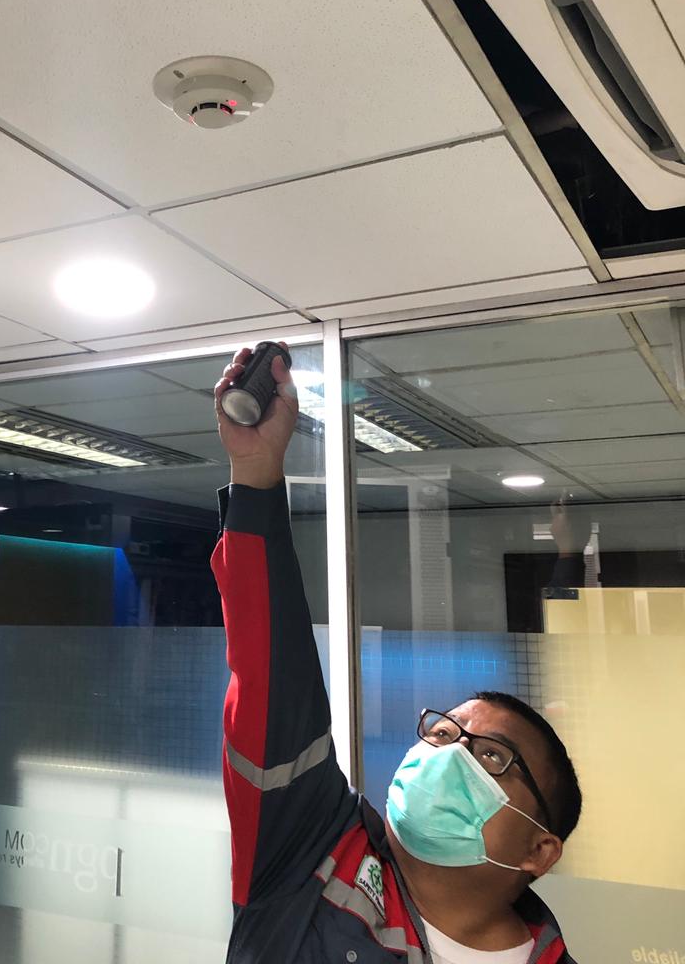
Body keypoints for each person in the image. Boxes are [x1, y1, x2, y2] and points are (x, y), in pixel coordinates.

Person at [211, 345, 582, 964]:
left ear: (539, 851)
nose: (446, 755)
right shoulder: (312, 853)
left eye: (491, 756)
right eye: (443, 732)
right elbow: (273, 675)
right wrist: (255, 474)